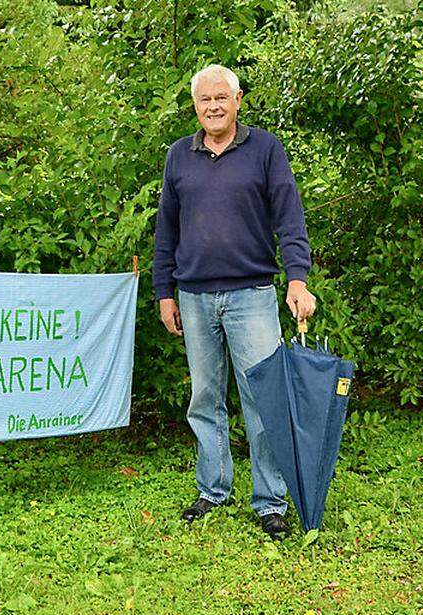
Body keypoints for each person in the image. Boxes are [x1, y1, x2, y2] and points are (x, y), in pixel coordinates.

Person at [152, 64, 317, 540]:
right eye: (205, 100)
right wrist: (165, 292)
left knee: (264, 398)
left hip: (253, 295)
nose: (214, 107)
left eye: (221, 97)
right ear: (195, 107)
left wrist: (297, 279)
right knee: (204, 398)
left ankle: (270, 501)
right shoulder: (179, 156)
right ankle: (213, 489)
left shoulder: (265, 149)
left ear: (238, 99)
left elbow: (290, 217)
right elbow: (168, 230)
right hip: (195, 295)